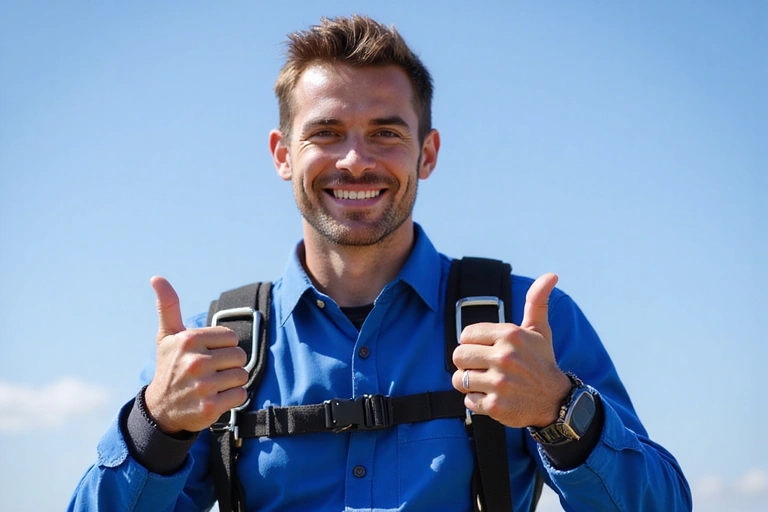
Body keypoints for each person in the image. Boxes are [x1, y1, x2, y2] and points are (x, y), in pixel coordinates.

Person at [69, 14, 692, 512]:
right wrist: (156, 428)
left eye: (387, 133)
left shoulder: (529, 326)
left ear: (428, 153)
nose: (355, 161)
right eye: (327, 132)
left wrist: (562, 412)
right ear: (282, 154)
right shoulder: (220, 345)